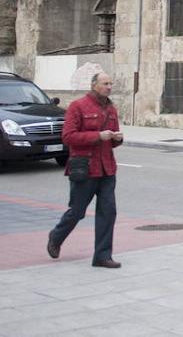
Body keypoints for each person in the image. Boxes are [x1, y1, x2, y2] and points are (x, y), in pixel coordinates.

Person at [47, 71, 124, 268]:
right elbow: (68, 137)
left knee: (108, 212)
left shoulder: (111, 109)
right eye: (105, 83)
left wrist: (117, 139)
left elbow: (112, 141)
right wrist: (98, 136)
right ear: (94, 85)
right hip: (85, 168)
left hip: (107, 169)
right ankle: (56, 236)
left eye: (110, 83)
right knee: (78, 211)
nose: (109, 86)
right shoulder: (78, 106)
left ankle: (102, 256)